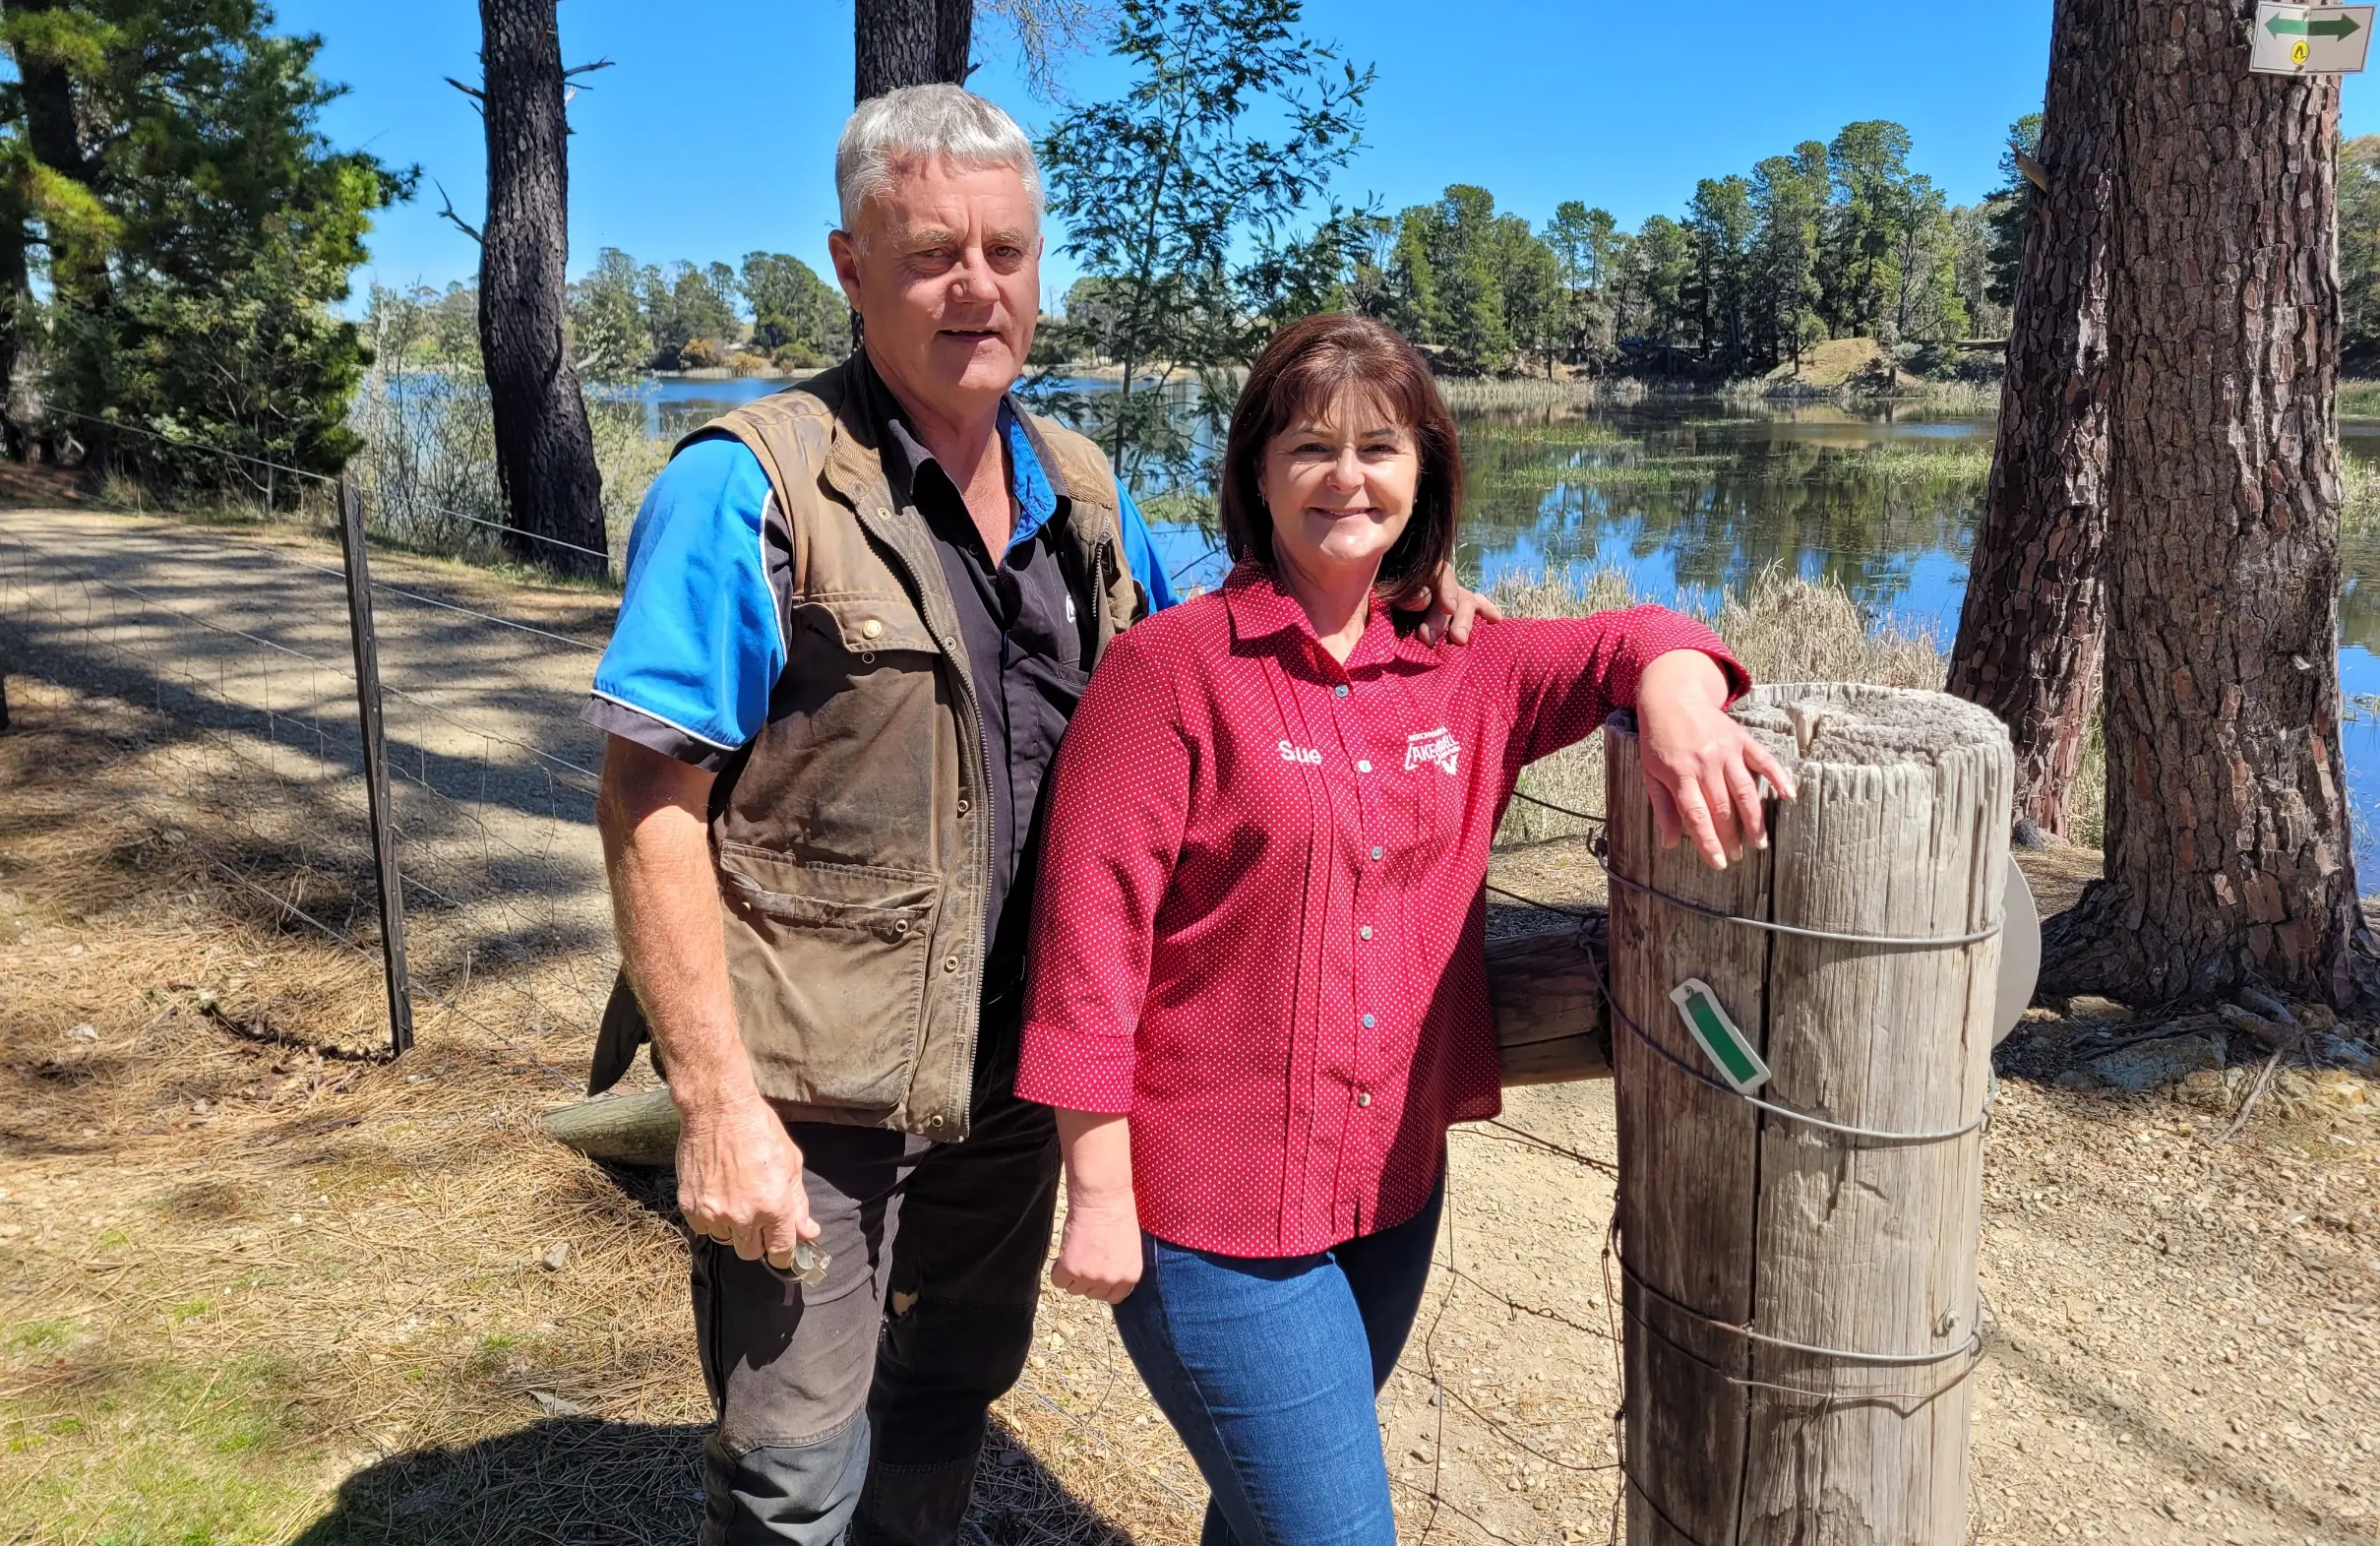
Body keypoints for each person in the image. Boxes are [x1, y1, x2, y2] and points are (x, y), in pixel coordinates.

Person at [584, 91, 1490, 1545]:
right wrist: (715, 1104)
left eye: (1005, 250)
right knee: (791, 1461)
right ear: (848, 262)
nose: (975, 286)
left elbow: (1214, 668)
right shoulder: (745, 489)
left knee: (945, 1396)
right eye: (932, 250)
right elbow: (649, 805)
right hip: (813, 1089)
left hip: (1011, 1080)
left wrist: (1391, 597)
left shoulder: (1078, 489)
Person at [1016, 314, 1796, 1546]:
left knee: (1263, 1513)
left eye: (1379, 445)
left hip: (1389, 1193)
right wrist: (1098, 1192)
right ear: (1256, 475)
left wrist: (1682, 696)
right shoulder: (1170, 672)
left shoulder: (1461, 665)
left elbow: (1631, 635)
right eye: (1308, 446)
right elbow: (1087, 948)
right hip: (1208, 1214)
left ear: (1422, 468)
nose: (1346, 476)